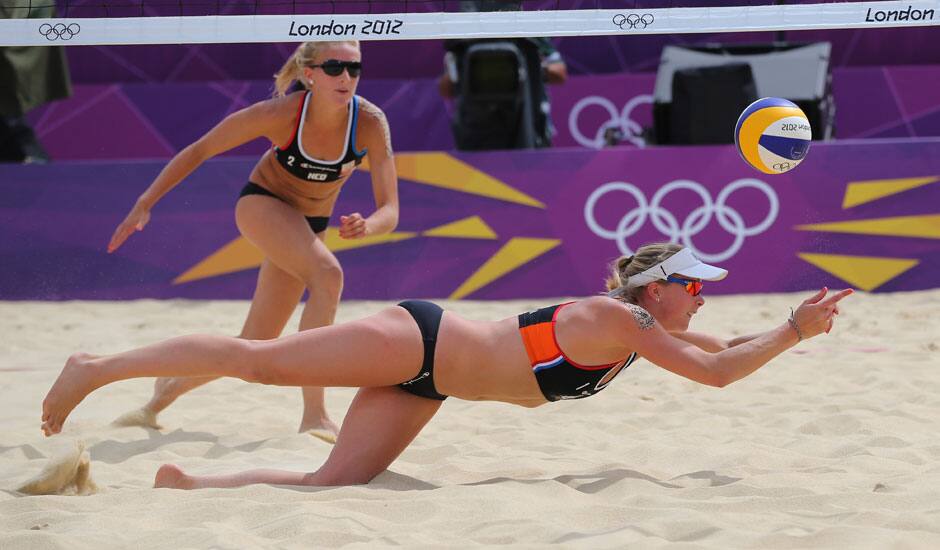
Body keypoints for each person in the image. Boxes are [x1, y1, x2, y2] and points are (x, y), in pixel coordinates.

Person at [41, 243, 853, 489]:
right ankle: (96, 364)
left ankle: (187, 484)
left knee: (337, 485)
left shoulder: (646, 330)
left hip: (428, 384)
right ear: (659, 288)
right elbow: (717, 374)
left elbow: (729, 354)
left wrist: (794, 329)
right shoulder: (621, 318)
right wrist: (790, 329)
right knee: (258, 362)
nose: (706, 300)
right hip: (419, 343)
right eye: (697, 287)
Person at [106, 40, 399, 442]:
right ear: (309, 74)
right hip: (264, 204)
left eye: (354, 68)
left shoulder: (368, 121)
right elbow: (200, 150)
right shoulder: (280, 115)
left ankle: (163, 394)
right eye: (334, 67)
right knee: (328, 275)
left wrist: (369, 225)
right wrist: (144, 203)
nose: (346, 77)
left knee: (255, 344)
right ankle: (315, 414)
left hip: (308, 224)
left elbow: (391, 211)